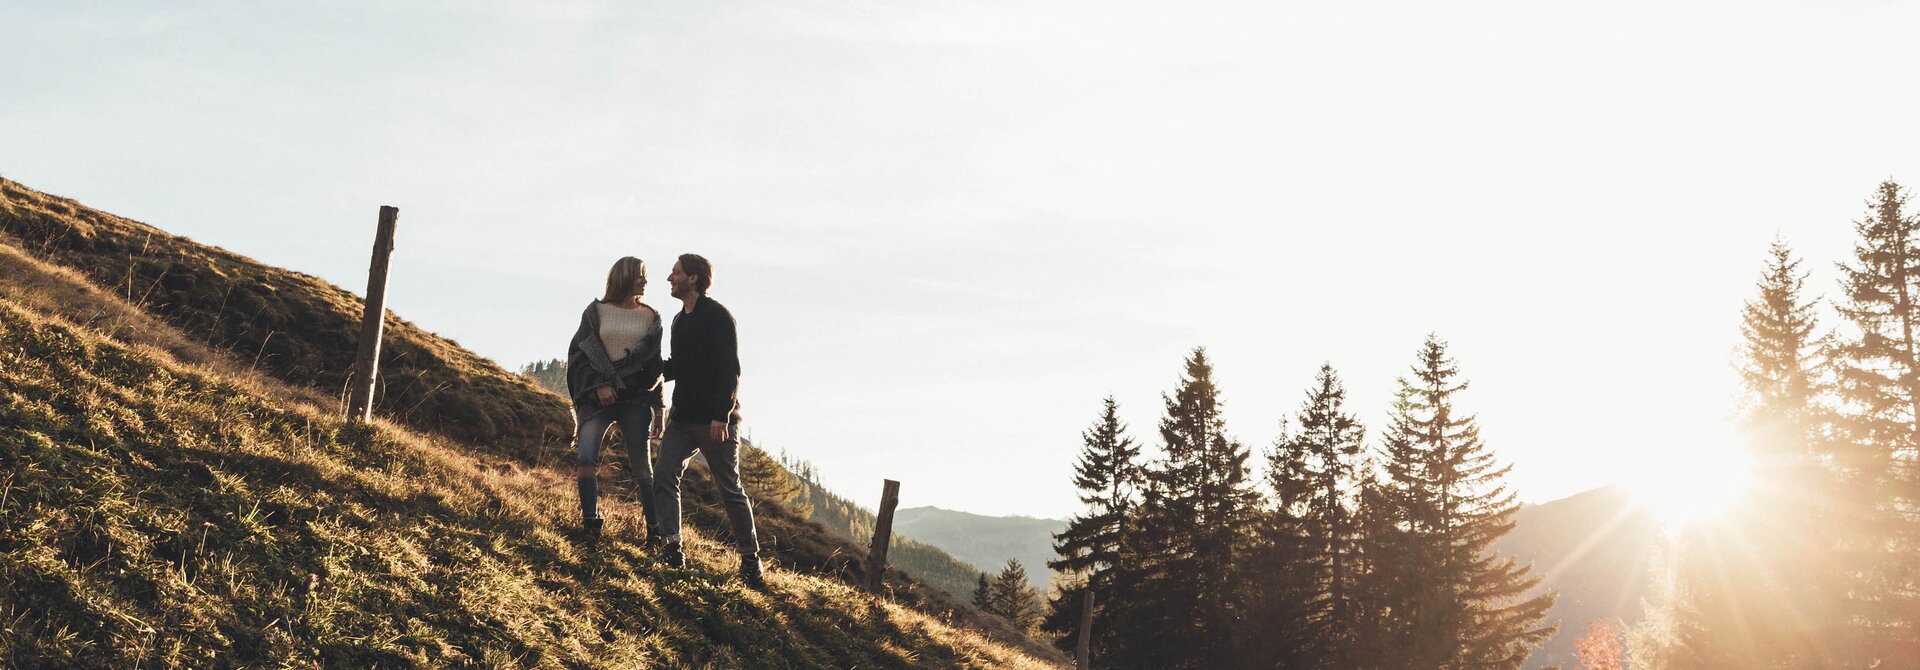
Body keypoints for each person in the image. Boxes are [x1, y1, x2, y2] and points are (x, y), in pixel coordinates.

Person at [654, 252, 763, 588]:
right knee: (664, 474)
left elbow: (730, 369)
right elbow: (680, 366)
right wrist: (648, 368)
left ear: (694, 278)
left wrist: (722, 415)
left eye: (675, 273)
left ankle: (750, 561)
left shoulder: (717, 317)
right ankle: (673, 548)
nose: (670, 278)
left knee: (729, 489)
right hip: (683, 417)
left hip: (716, 421)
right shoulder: (678, 321)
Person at [565, 256, 666, 543]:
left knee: (643, 471)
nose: (645, 281)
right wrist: (599, 386)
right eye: (640, 275)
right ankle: (590, 524)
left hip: (635, 401)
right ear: (624, 276)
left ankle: (655, 532)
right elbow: (578, 356)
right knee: (586, 459)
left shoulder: (651, 318)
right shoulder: (595, 312)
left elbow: (653, 365)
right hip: (596, 400)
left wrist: (659, 407)